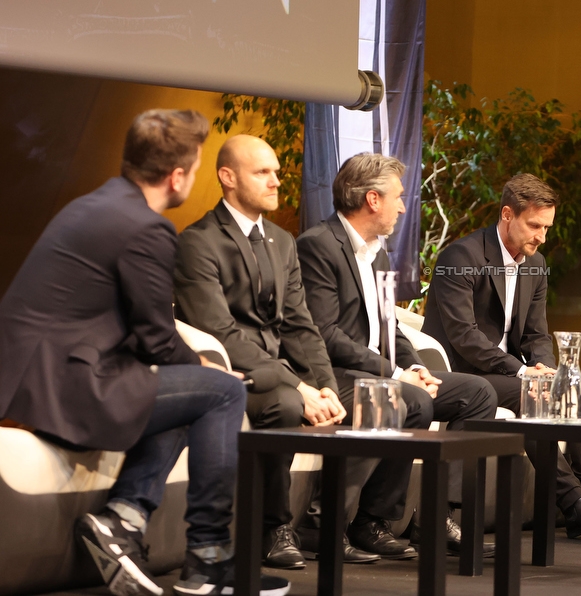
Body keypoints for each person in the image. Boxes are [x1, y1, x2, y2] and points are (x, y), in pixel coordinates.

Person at [0, 111, 289, 596]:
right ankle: (209, 558)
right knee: (219, 391)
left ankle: (125, 519)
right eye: (195, 169)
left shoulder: (91, 204)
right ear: (178, 176)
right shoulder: (145, 227)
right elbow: (156, 337)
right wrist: (206, 368)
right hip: (60, 389)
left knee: (197, 391)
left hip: (34, 378)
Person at [295, 152, 498, 557]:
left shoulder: (379, 253)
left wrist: (415, 366)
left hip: (380, 373)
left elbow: (391, 326)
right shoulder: (318, 245)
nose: (404, 206)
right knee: (408, 399)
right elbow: (324, 333)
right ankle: (326, 524)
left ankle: (428, 517)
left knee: (478, 394)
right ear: (373, 199)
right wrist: (393, 374)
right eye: (399, 197)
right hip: (336, 373)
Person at [173, 134, 349, 570]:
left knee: (344, 401)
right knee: (286, 403)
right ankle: (273, 527)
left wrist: (326, 388)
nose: (276, 182)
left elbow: (299, 324)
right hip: (232, 372)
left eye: (276, 172)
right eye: (263, 172)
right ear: (227, 178)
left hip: (277, 368)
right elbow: (221, 333)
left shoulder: (281, 240)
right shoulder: (198, 242)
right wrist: (298, 386)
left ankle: (341, 526)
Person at [422, 173, 581, 538]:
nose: (542, 236)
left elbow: (536, 332)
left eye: (547, 228)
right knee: (534, 396)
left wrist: (544, 366)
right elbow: (464, 337)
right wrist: (523, 373)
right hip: (467, 374)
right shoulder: (461, 257)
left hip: (510, 371)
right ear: (508, 214)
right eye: (535, 226)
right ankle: (574, 502)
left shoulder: (536, 263)